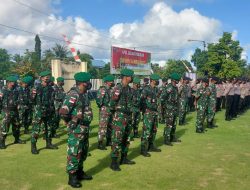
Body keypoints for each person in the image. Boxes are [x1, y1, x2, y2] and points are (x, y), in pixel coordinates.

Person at [59, 72, 93, 188]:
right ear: (83, 83)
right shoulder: (73, 94)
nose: (89, 84)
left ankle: (79, 172)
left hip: (84, 128)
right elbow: (63, 111)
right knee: (74, 152)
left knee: (82, 152)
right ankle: (72, 177)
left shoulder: (84, 94)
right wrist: (71, 121)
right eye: (88, 82)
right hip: (77, 129)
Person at [109, 68, 135, 171]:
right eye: (131, 76)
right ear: (126, 77)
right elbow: (111, 104)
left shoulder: (129, 89)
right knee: (117, 139)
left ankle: (124, 158)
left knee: (126, 138)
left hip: (128, 117)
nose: (132, 78)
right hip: (119, 118)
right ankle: (114, 162)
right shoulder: (118, 88)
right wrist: (117, 113)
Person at [30, 71, 58, 154]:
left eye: (48, 76)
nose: (47, 78)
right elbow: (31, 100)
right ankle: (33, 146)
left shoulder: (51, 88)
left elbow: (52, 99)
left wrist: (53, 109)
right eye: (45, 76)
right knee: (36, 129)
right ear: (41, 78)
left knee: (49, 128)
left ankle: (48, 143)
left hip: (48, 110)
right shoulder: (36, 88)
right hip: (39, 111)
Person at [0, 76, 26, 149]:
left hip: (15, 110)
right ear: (8, 82)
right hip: (6, 111)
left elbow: (20, 98)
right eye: (12, 82)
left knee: (17, 125)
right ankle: (2, 142)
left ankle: (17, 139)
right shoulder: (3, 90)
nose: (13, 84)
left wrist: (19, 104)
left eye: (14, 82)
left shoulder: (16, 90)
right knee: (5, 127)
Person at [141, 74, 161, 157]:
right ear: (152, 80)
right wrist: (144, 111)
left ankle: (151, 146)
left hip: (155, 112)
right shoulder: (146, 89)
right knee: (147, 131)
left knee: (154, 130)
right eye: (156, 80)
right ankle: (143, 149)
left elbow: (158, 100)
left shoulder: (157, 89)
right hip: (148, 112)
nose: (158, 82)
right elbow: (141, 100)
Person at [161, 73, 181, 145]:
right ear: (173, 80)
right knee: (169, 125)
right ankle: (167, 139)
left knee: (174, 124)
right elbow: (162, 98)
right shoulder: (169, 87)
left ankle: (172, 137)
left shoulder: (175, 87)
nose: (178, 81)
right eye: (177, 80)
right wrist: (165, 107)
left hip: (174, 109)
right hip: (169, 109)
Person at [96, 74, 115, 150]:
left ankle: (108, 141)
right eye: (111, 81)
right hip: (105, 109)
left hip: (111, 110)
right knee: (103, 127)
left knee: (110, 126)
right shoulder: (102, 89)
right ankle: (100, 143)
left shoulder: (111, 90)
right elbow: (99, 100)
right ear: (107, 82)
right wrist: (102, 107)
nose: (113, 82)